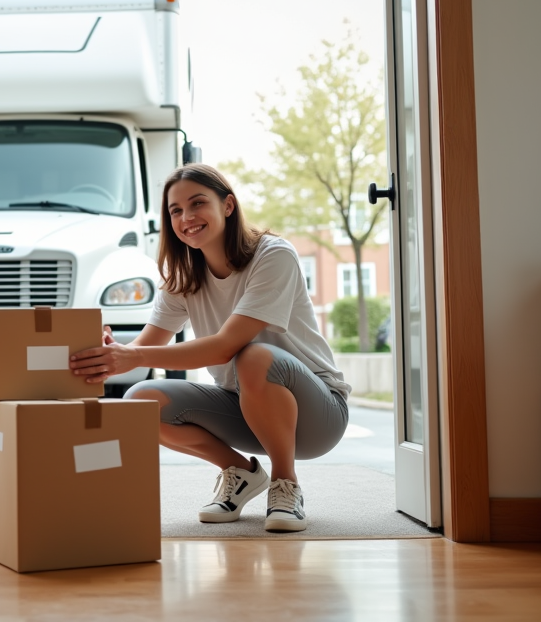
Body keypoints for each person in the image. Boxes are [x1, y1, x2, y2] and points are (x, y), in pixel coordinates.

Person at [70, 164, 350, 532]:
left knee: (253, 356)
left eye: (197, 203)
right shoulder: (183, 276)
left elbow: (224, 347)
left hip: (318, 414)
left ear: (228, 206)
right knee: (140, 400)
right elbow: (143, 350)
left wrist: (133, 356)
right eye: (175, 211)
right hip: (245, 409)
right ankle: (241, 471)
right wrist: (113, 355)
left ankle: (286, 484)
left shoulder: (273, 256)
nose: (187, 218)